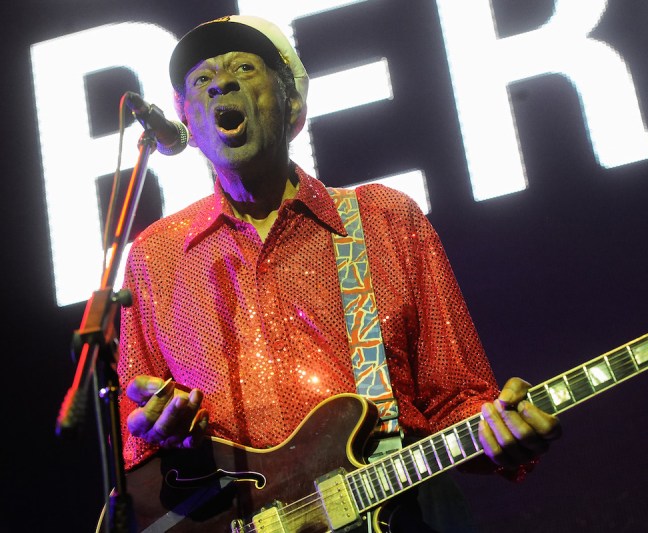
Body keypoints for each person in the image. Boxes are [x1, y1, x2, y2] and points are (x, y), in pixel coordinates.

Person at [118, 14, 560, 532]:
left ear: (293, 104)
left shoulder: (384, 219)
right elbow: (139, 459)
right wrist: (160, 431)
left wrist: (503, 433)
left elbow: (457, 399)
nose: (222, 82)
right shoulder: (156, 256)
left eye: (244, 67)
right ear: (187, 122)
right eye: (201, 79)